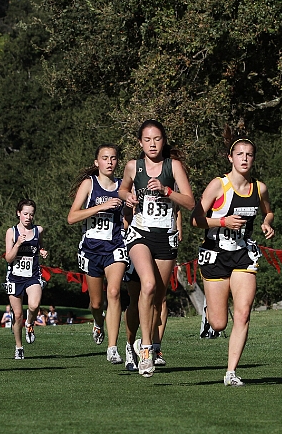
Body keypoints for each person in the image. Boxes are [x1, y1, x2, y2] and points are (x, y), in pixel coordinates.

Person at [191, 137, 274, 386]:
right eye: (240, 154)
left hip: (243, 254)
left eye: (249, 154)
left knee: (243, 313)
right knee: (219, 323)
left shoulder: (259, 188)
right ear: (231, 158)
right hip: (215, 254)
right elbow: (195, 220)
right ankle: (209, 313)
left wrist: (267, 222)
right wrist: (222, 222)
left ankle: (231, 373)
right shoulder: (219, 186)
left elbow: (268, 210)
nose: (245, 158)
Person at [118, 120, 195, 376]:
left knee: (157, 296)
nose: (153, 144)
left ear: (163, 141)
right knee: (147, 285)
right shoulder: (133, 166)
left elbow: (190, 201)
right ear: (140, 142)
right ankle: (147, 349)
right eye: (148, 140)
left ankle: (144, 341)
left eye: (157, 139)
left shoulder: (173, 167)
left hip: (166, 237)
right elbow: (122, 189)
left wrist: (166, 190)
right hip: (140, 234)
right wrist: (126, 197)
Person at [67, 144, 128, 365]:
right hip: (92, 248)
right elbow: (72, 217)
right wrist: (100, 208)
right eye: (105, 158)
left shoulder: (123, 186)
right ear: (97, 162)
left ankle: (112, 348)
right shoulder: (89, 184)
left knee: (114, 292)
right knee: (96, 303)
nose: (109, 162)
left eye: (113, 158)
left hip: (116, 246)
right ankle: (98, 322)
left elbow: (129, 215)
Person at [4, 199, 48, 360]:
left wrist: (42, 251)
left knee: (34, 304)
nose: (28, 217)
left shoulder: (38, 230)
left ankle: (29, 324)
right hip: (14, 277)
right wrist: (17, 244)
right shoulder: (12, 232)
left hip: (33, 275)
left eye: (31, 214)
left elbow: (40, 245)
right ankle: (19, 346)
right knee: (16, 315)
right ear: (18, 213)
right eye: (25, 214)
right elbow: (8, 258)